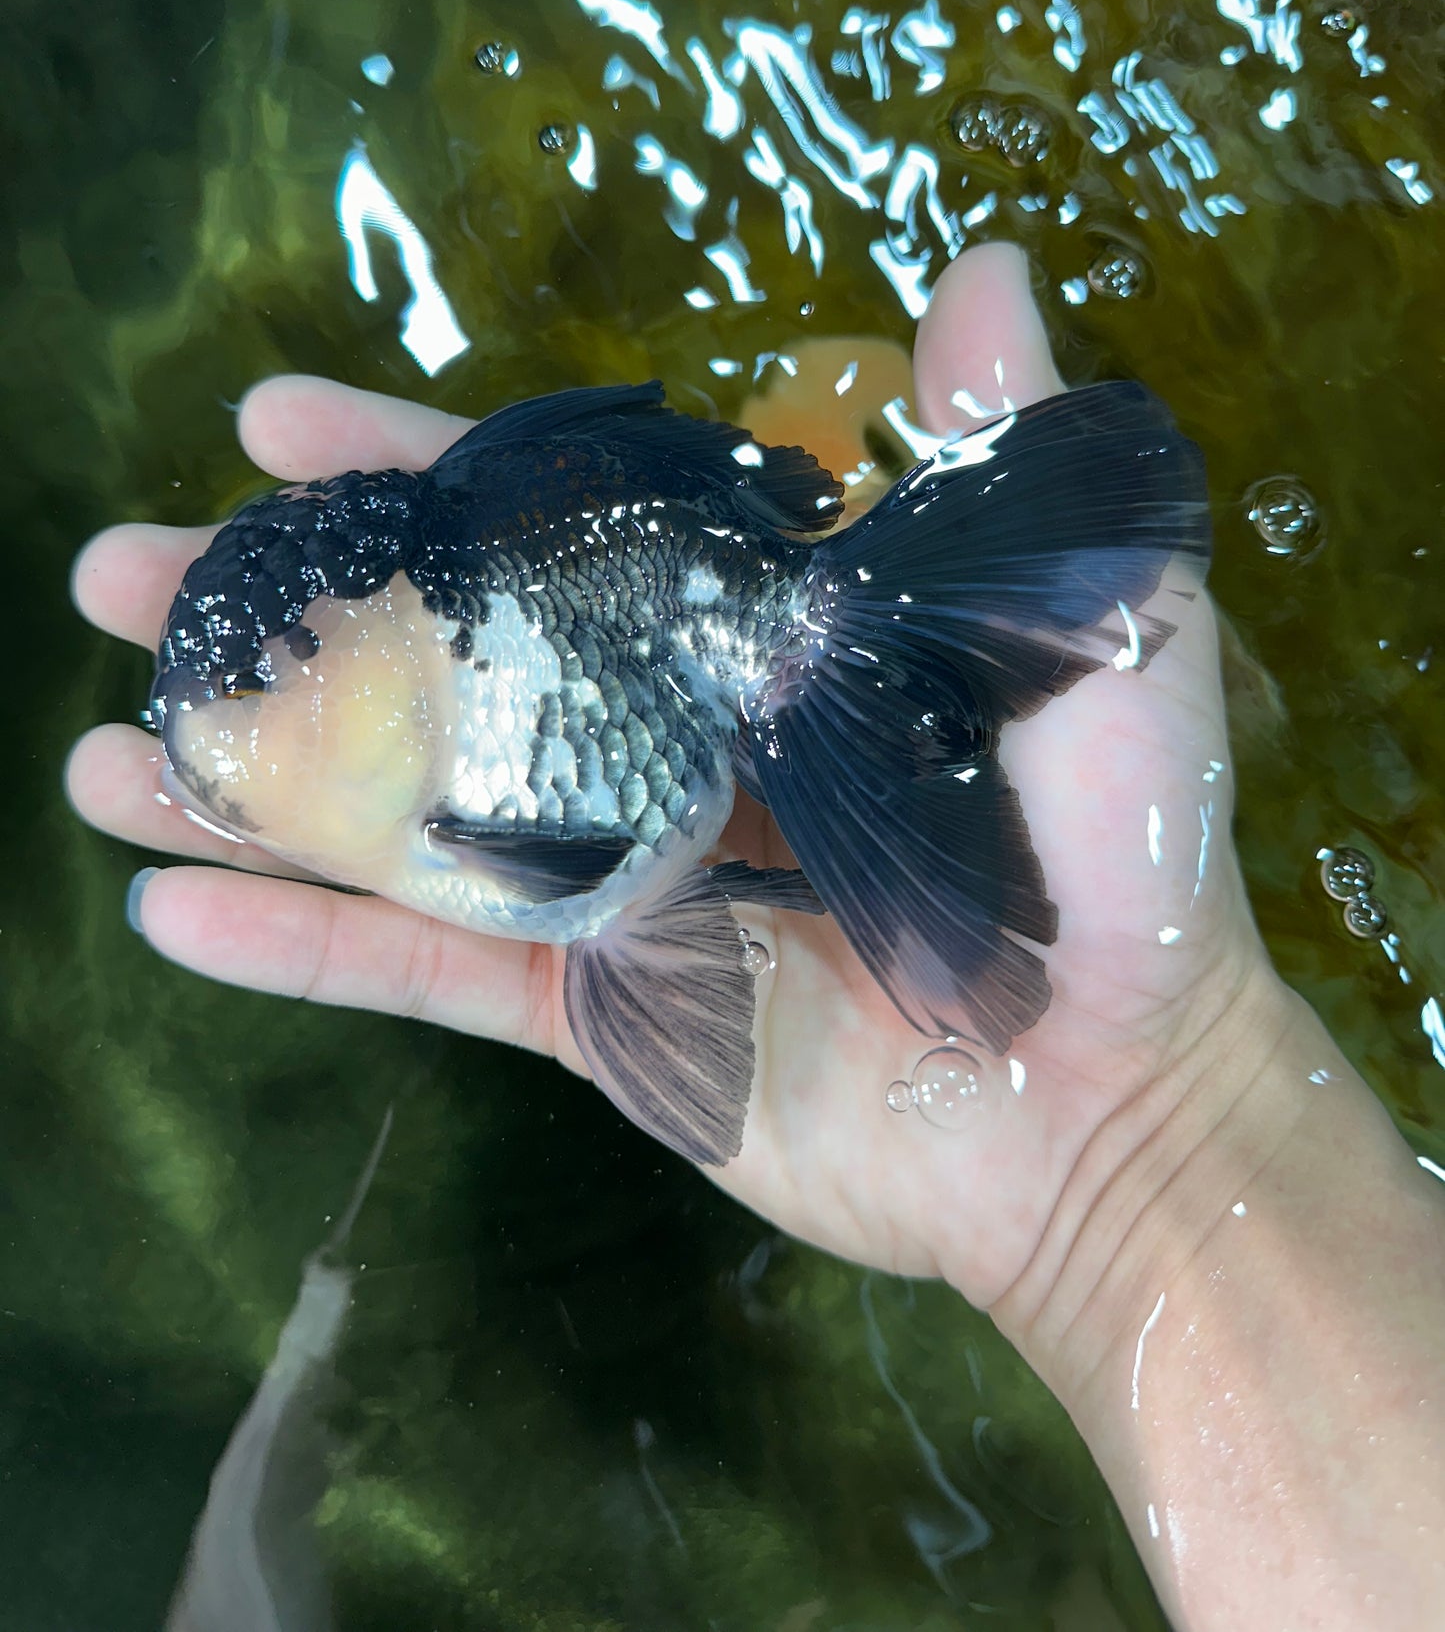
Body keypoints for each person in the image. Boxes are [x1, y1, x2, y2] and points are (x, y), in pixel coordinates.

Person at [67, 244, 1445, 1627]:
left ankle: (879, 520)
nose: (213, 754)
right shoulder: (402, 760)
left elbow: (576, 874)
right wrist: (1152, 1160)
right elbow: (599, 895)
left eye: (251, 703)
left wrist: (1153, 1136)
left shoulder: (456, 783)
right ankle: (858, 442)